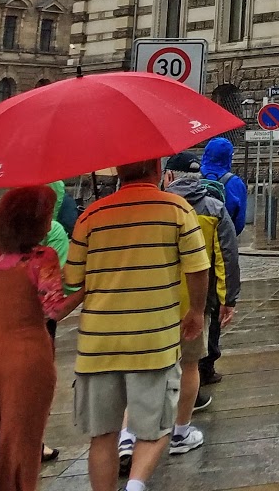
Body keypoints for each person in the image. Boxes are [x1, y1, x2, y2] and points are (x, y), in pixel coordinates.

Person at [63, 159, 209, 491]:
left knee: (102, 435)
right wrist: (196, 311)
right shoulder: (176, 209)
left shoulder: (90, 216)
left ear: (118, 173)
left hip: (97, 345)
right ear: (158, 171)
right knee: (156, 428)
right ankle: (135, 485)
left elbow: (73, 280)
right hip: (152, 341)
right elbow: (197, 268)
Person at [133, 153, 238, 460]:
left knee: (147, 368)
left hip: (155, 301)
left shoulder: (155, 207)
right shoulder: (213, 208)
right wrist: (227, 299)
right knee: (190, 366)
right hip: (195, 303)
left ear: (169, 177)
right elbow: (225, 257)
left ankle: (133, 435)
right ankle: (180, 432)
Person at [0, 186, 74, 491]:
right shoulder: (41, 259)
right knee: (22, 441)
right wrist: (89, 288)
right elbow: (54, 309)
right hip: (27, 357)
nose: (50, 222)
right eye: (46, 215)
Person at [197, 138, 245, 386]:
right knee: (215, 307)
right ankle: (207, 364)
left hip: (191, 252)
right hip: (218, 255)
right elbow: (238, 223)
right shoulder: (234, 183)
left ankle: (190, 359)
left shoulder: (193, 178)